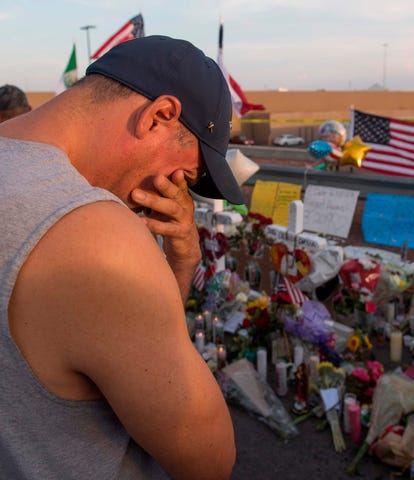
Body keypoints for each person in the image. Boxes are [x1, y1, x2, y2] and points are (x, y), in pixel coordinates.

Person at [0, 35, 243, 479]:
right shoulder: (93, 234)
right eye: (187, 173)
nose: (175, 189)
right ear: (159, 116)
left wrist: (179, 264)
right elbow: (209, 458)